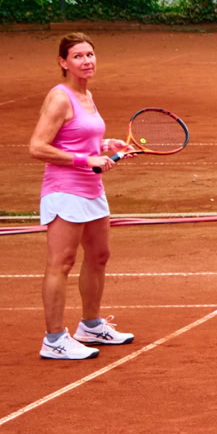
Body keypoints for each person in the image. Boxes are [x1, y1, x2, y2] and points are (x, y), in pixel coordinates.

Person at [27, 33, 137, 360]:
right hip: (65, 191)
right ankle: (55, 339)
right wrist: (85, 160)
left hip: (91, 189)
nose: (87, 61)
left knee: (99, 256)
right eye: (78, 56)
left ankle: (90, 325)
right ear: (63, 62)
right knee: (61, 262)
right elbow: (37, 147)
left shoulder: (86, 95)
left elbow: (78, 138)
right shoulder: (60, 98)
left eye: (90, 55)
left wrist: (105, 146)